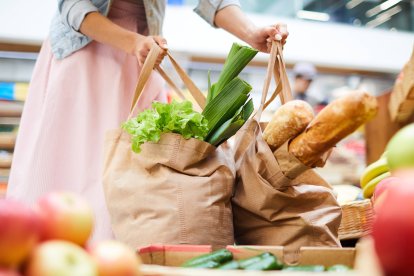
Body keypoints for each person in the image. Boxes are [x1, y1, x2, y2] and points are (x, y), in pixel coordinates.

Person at [6, 0, 288, 241]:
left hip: (144, 52)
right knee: (73, 168)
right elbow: (73, 5)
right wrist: (133, 42)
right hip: (87, 54)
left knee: (131, 173)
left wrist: (252, 33)